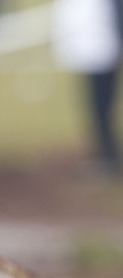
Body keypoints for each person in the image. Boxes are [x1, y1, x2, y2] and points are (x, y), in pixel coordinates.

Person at [53, 0, 123, 174]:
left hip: (104, 54)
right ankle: (105, 155)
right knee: (97, 107)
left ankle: (108, 158)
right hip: (95, 54)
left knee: (101, 107)